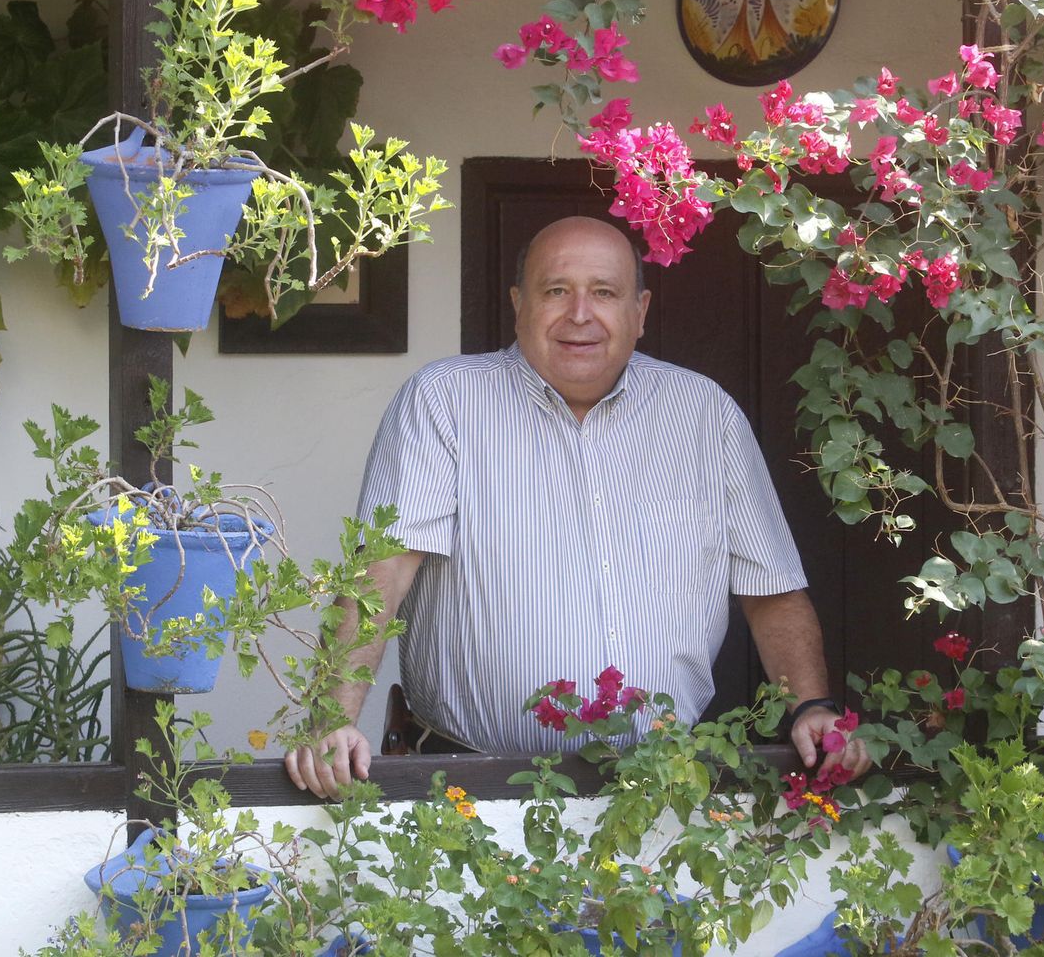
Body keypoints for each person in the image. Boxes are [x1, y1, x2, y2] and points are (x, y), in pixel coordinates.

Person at [285, 215, 869, 798]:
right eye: (556, 291)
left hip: (658, 791)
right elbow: (382, 572)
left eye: (605, 293)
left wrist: (810, 707)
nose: (580, 314)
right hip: (471, 789)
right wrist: (333, 718)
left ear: (640, 311)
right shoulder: (445, 402)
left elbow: (772, 590)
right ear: (519, 304)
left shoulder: (704, 414)